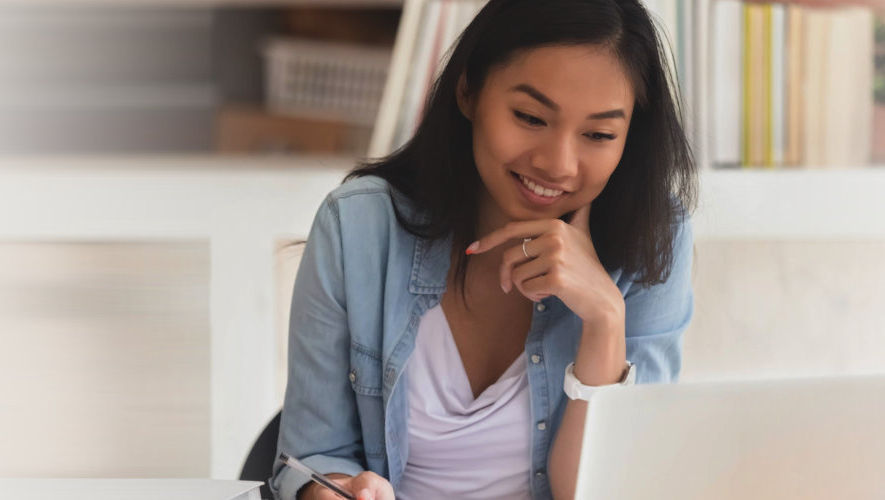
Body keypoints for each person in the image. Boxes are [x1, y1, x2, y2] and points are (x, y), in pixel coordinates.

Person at [272, 1, 695, 498]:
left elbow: (614, 489)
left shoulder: (651, 238)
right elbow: (310, 457)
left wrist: (605, 319)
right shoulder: (359, 226)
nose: (558, 164)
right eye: (530, 116)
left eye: (598, 135)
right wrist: (336, 491)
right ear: (468, 91)